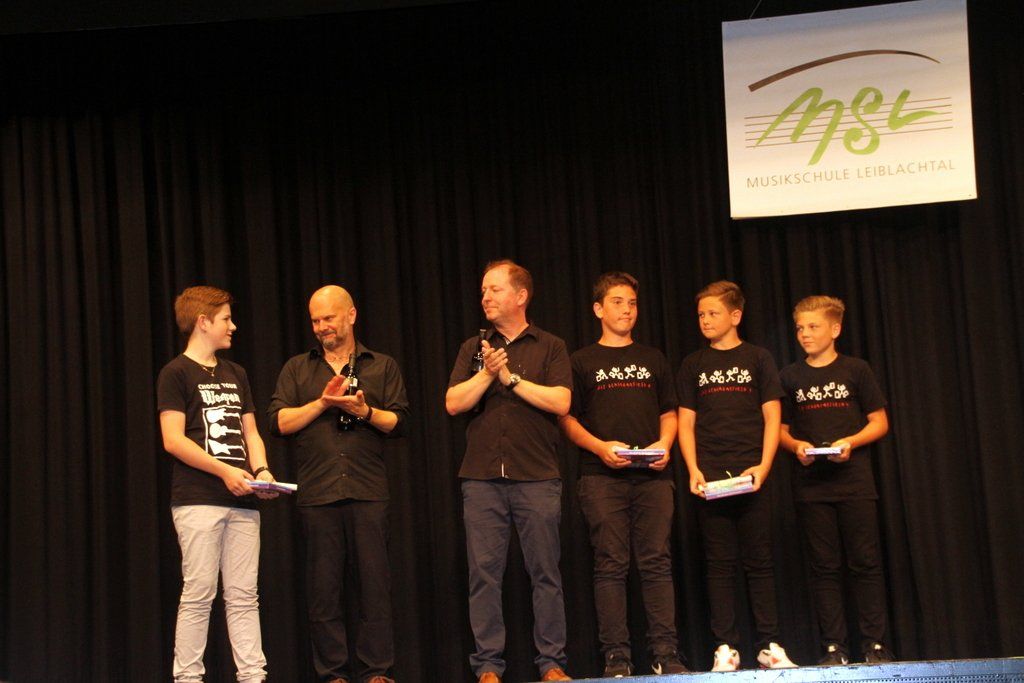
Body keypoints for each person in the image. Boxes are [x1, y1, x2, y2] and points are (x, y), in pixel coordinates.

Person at [268, 285, 410, 683]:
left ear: (351, 315)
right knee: (324, 591)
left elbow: (400, 422)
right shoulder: (297, 368)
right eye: (315, 320)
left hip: (368, 491)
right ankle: (333, 674)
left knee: (374, 587)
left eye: (328, 318)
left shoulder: (382, 365)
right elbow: (277, 422)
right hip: (318, 494)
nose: (321, 327)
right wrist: (322, 403)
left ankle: (377, 672)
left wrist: (365, 411)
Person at [445, 259, 573, 683]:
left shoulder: (550, 346)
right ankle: (487, 666)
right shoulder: (474, 347)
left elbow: (561, 402)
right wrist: (488, 374)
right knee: (483, 575)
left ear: (520, 296)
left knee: (545, 573)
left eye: (494, 289)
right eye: (483, 290)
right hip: (482, 478)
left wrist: (511, 379)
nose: (485, 297)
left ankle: (551, 663)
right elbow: (453, 403)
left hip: (537, 476)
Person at [559, 272, 688, 678]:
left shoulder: (653, 358)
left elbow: (669, 411)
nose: (627, 310)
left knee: (656, 563)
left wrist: (665, 444)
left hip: (652, 476)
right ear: (598, 309)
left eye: (632, 303)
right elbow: (567, 419)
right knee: (610, 565)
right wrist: (600, 447)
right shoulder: (581, 361)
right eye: (617, 302)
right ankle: (616, 657)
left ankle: (665, 653)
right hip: (601, 476)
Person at [156, 285, 276, 683]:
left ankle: (253, 676)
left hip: (243, 501)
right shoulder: (175, 373)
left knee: (244, 596)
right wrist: (224, 471)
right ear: (203, 322)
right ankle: (188, 678)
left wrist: (262, 471)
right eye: (226, 318)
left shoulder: (235, 373)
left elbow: (251, 432)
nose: (233, 326)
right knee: (199, 593)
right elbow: (173, 440)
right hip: (198, 500)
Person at [676, 280, 796, 672]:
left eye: (713, 313)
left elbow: (772, 417)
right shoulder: (693, 364)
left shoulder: (758, 358)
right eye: (701, 314)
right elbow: (686, 422)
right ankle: (725, 646)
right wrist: (693, 469)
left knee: (760, 562)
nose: (705, 320)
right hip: (711, 478)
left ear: (736, 315)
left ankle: (768, 645)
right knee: (719, 564)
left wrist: (763, 466)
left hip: (752, 474)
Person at [778, 295, 895, 665]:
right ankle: (834, 647)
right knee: (823, 568)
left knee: (865, 563)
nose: (805, 334)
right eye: (800, 328)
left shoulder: (856, 369)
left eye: (813, 326)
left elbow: (879, 422)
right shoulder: (790, 376)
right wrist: (796, 446)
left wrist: (851, 442)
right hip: (812, 486)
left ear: (835, 329)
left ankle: (875, 644)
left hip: (855, 482)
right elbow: (779, 429)